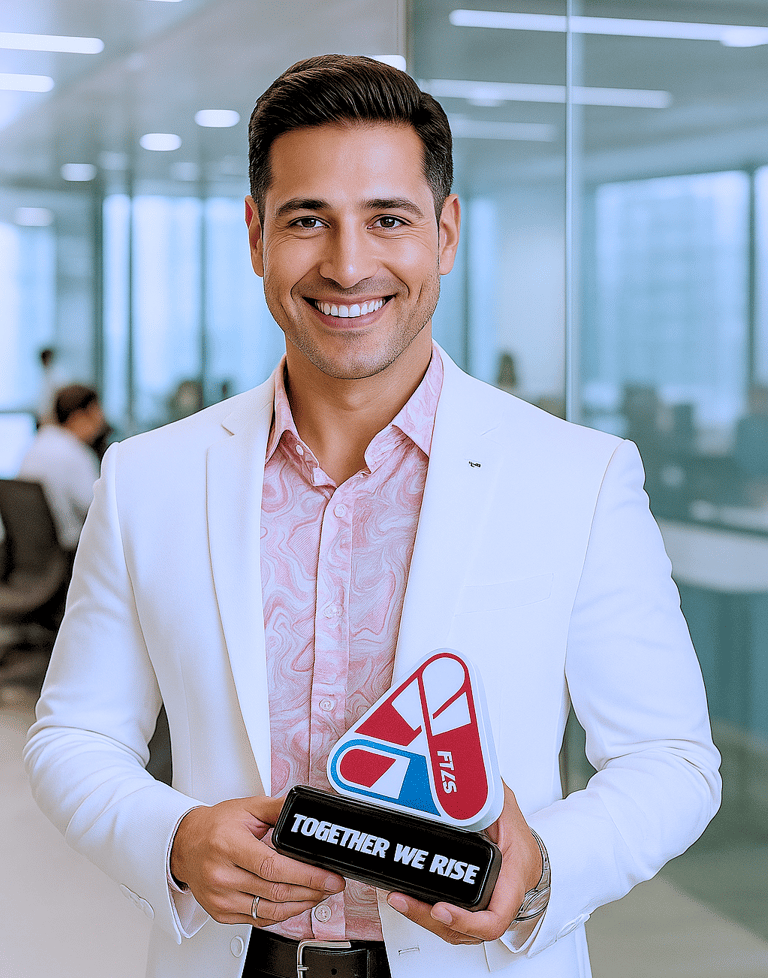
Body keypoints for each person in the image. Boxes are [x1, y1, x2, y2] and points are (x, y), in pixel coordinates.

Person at [24, 55, 720, 978]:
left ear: (446, 232)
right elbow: (75, 735)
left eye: (388, 219)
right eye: (307, 219)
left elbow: (671, 759)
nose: (348, 265)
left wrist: (545, 868)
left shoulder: (577, 477)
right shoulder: (150, 477)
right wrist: (174, 838)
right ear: (255, 235)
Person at [18, 383, 105, 554]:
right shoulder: (75, 452)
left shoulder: (38, 444)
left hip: (33, 553)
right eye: (97, 413)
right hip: (68, 552)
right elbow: (96, 507)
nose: (101, 421)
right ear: (79, 417)